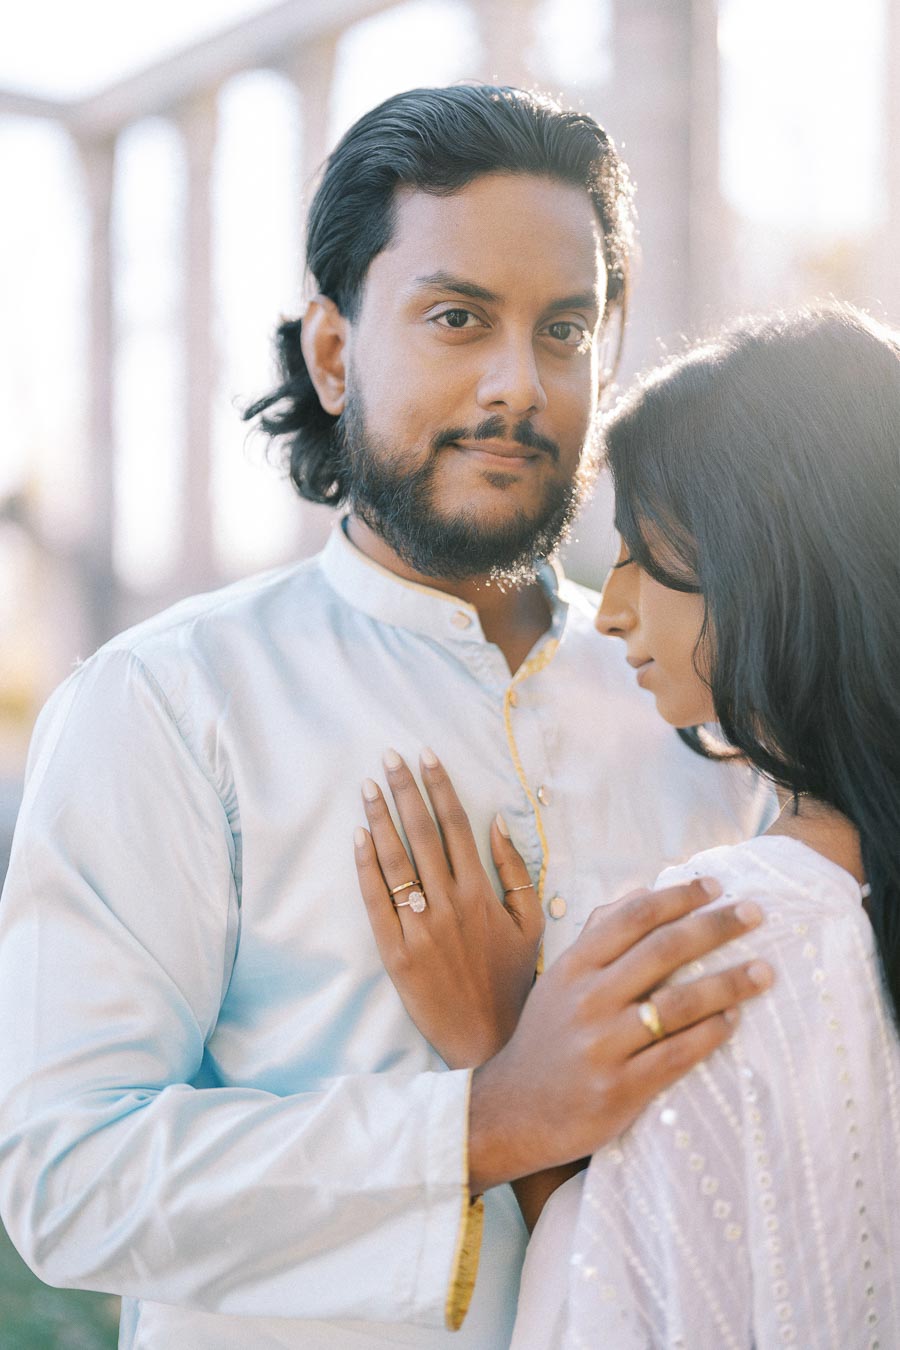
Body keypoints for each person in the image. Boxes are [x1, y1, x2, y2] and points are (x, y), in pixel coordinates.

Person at [0, 86, 773, 1349]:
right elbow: (66, 1178)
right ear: (334, 352)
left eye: (566, 330)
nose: (519, 386)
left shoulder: (704, 705)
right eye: (458, 319)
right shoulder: (170, 703)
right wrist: (488, 1121)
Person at [357, 303, 900, 1347]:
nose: (610, 609)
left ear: (776, 559)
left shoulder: (714, 942)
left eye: (645, 552)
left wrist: (500, 1047)